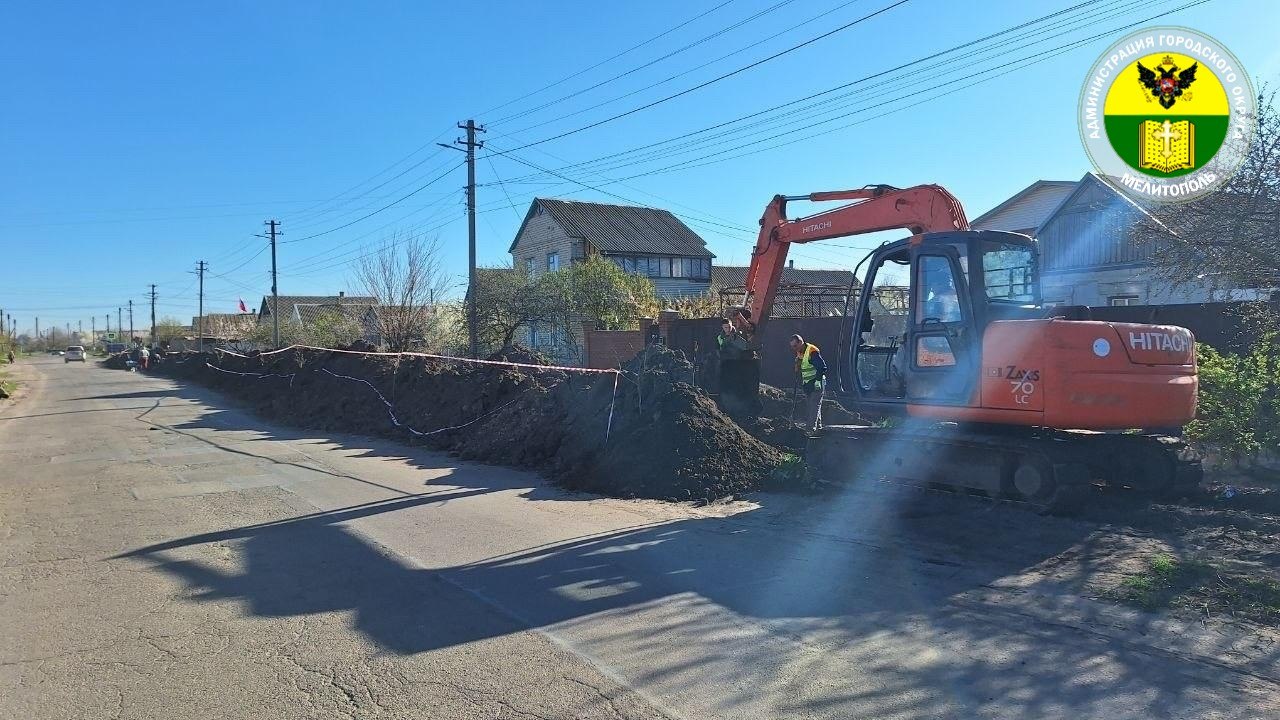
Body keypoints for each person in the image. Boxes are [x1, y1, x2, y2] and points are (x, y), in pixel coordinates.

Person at [789, 334, 827, 432]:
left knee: (813, 407)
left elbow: (822, 367)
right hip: (808, 384)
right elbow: (805, 365)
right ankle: (818, 429)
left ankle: (810, 430)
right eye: (792, 347)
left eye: (795, 346)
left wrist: (818, 381)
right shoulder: (800, 351)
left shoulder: (812, 351)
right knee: (812, 406)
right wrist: (798, 365)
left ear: (800, 343)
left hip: (816, 382)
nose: (794, 349)